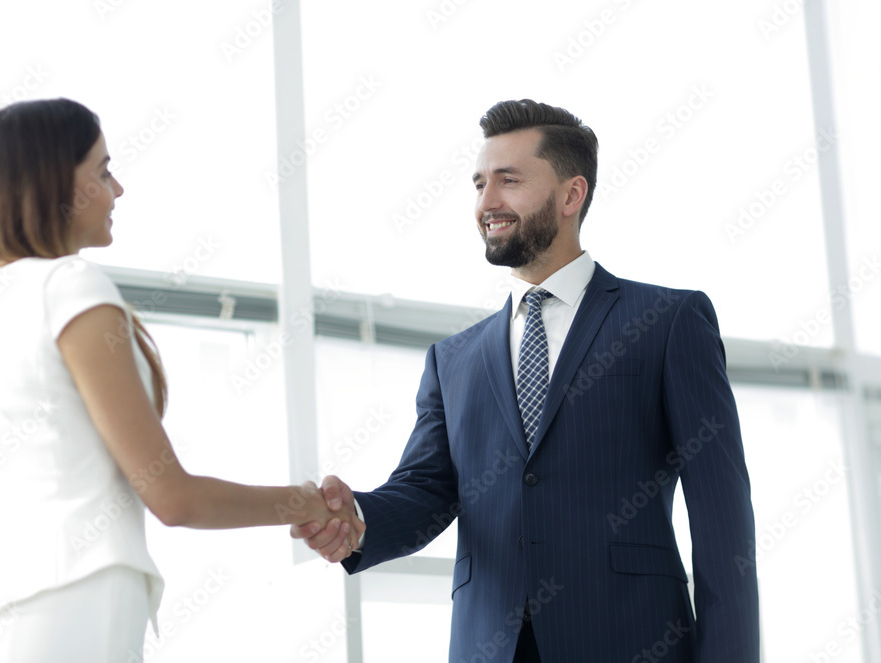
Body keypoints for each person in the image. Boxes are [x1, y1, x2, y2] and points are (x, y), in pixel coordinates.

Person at [293, 99, 760, 662]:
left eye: (508, 181)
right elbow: (425, 493)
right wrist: (358, 520)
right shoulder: (453, 359)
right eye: (479, 184)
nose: (486, 203)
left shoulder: (667, 322)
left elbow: (723, 520)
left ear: (571, 195)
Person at [0, 98, 364, 662]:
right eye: (102, 170)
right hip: (77, 605)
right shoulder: (69, 286)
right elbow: (172, 496)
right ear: (53, 184)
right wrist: (308, 504)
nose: (118, 190)